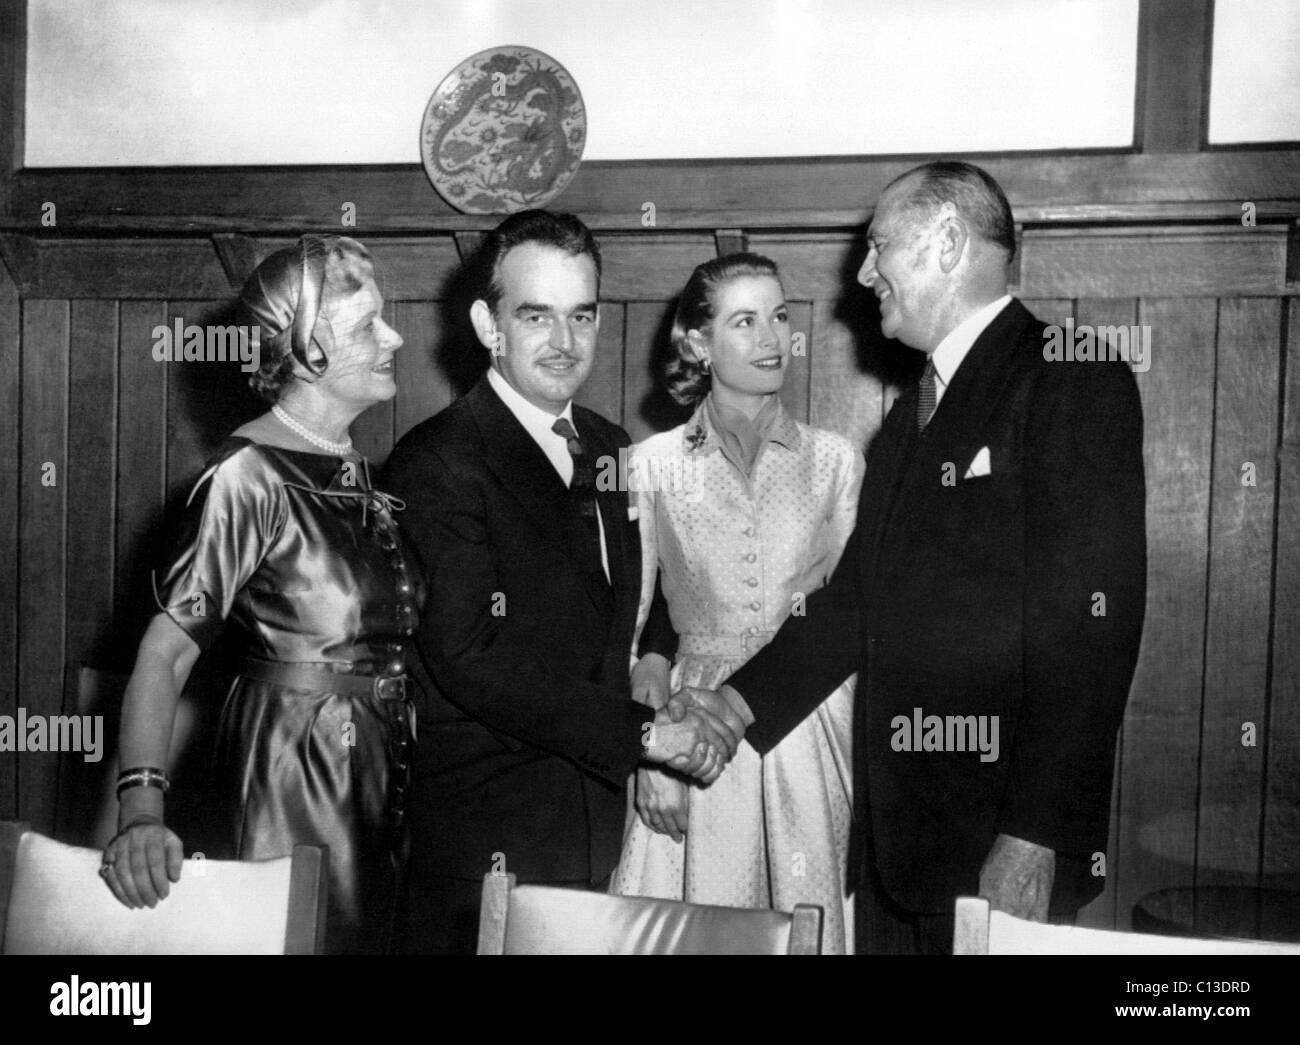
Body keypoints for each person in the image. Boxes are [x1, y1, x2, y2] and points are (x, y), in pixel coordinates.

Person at [677, 161, 1147, 954]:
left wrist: (1035, 833)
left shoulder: (1072, 377)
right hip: (898, 850)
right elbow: (856, 602)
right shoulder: (909, 419)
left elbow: (1093, 634)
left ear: (949, 241)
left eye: (879, 246)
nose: (864, 273)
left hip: (998, 848)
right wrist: (732, 707)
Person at [382, 210, 743, 954]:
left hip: (595, 834)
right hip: (485, 846)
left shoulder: (611, 446)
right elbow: (470, 656)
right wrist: (648, 736)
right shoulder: (437, 460)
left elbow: (643, 597)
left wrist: (654, 662)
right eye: (536, 315)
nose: (564, 342)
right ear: (488, 324)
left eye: (581, 315)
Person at [100, 235, 419, 955]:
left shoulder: (347, 465)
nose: (394, 336)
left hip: (374, 770)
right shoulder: (249, 473)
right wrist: (142, 809)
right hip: (293, 771)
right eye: (368, 325)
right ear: (308, 352)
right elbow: (163, 659)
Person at [610, 254, 862, 953]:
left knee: (805, 926)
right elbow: (631, 631)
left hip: (807, 725)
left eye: (779, 316)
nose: (771, 337)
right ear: (697, 342)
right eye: (743, 320)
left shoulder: (837, 461)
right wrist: (648, 756)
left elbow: (845, 617)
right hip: (690, 728)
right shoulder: (649, 464)